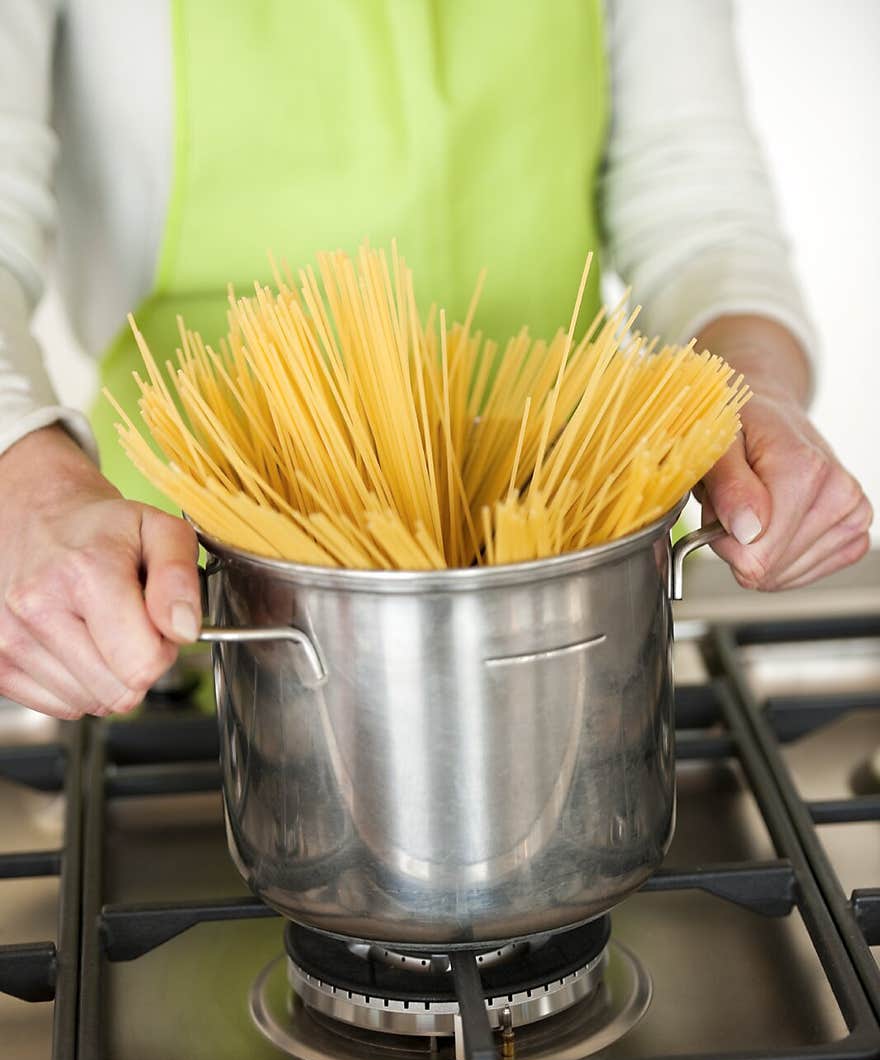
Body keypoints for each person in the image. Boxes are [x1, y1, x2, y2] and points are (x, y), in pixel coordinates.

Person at [0, 0, 871, 721]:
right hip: (203, 623)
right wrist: (29, 488)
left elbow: (697, 200)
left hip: (571, 622)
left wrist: (751, 396)